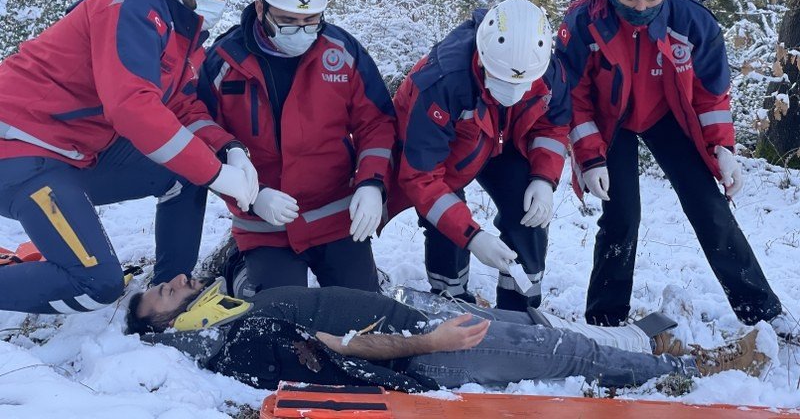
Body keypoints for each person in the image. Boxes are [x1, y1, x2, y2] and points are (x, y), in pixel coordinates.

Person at [0, 0, 259, 314]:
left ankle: (165, 299)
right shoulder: (133, 6)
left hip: (72, 152)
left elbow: (181, 107)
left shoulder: (181, 30)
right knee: (94, 285)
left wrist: (230, 151)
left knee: (186, 171)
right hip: (20, 151)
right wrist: (216, 174)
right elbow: (132, 108)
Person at [555, 0, 784, 329]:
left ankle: (761, 311)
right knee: (621, 215)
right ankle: (605, 319)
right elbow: (573, 97)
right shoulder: (582, 23)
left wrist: (723, 149)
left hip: (667, 117)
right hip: (613, 122)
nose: (640, 6)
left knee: (710, 209)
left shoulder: (693, 22)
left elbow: (710, 94)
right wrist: (590, 159)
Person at [126, 275, 767, 392]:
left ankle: (667, 362)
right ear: (167, 323)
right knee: (567, 350)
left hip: (423, 324)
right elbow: (337, 354)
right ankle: (692, 375)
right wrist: (429, 343)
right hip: (431, 355)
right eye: (165, 291)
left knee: (536, 332)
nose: (178, 280)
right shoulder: (242, 340)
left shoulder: (238, 314)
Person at [180, 0, 396, 294]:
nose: (301, 31)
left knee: (361, 311)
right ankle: (240, 266)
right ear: (261, 7)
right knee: (282, 317)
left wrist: (371, 182)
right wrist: (252, 195)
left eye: (311, 21)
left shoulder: (341, 53)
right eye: (289, 21)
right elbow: (200, 134)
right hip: (263, 222)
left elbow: (378, 123)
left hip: (334, 215)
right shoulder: (223, 61)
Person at [389, 0, 571, 310]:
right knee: (446, 220)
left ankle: (521, 306)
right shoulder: (442, 81)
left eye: (521, 83)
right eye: (500, 78)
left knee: (527, 209)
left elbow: (552, 127)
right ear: (482, 56)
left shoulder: (546, 68)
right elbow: (421, 176)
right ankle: (451, 298)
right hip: (442, 154)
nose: (512, 89)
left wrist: (544, 178)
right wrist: (473, 237)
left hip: (504, 141)